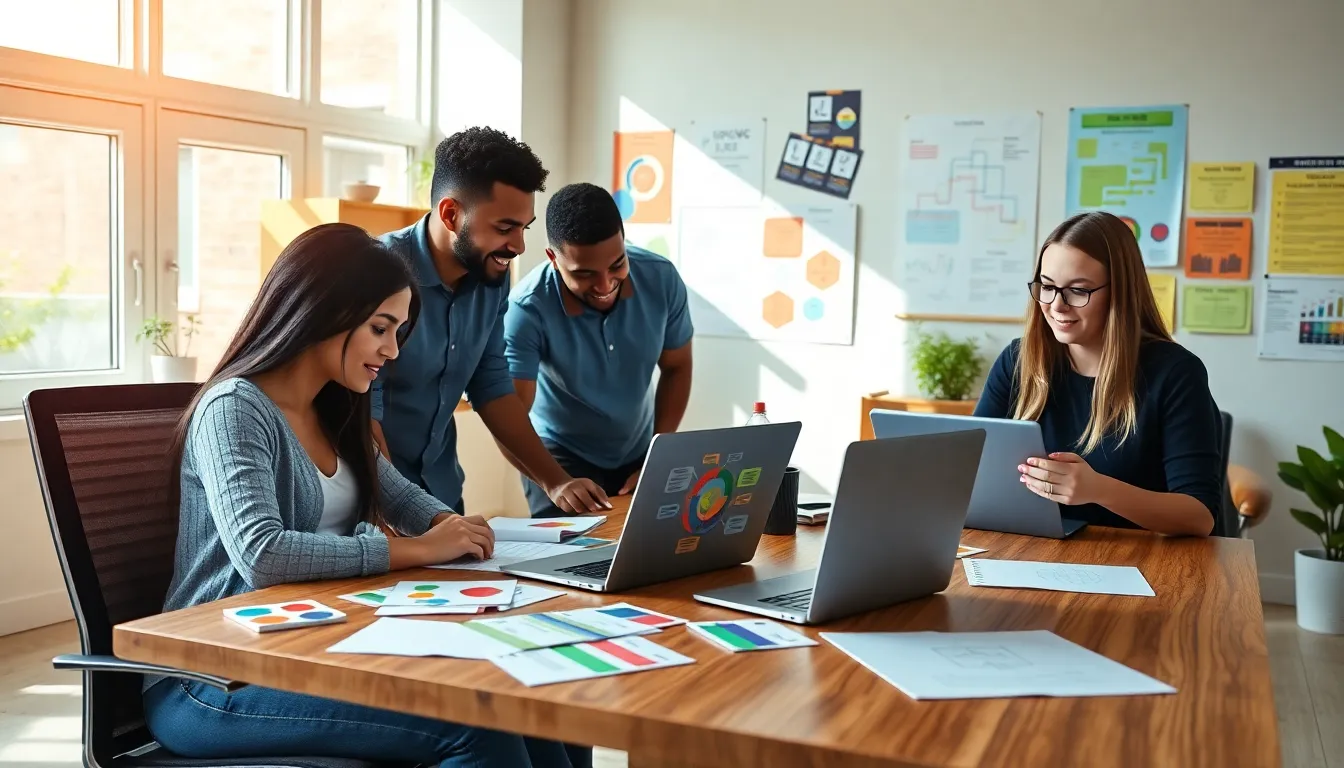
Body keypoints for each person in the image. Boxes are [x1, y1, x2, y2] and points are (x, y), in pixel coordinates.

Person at [142, 223, 576, 767]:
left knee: (530, 697)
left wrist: (455, 528)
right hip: (214, 678)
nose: (392, 350)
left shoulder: (336, 406)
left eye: (398, 331)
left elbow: (404, 500)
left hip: (310, 647)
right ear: (325, 312)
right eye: (381, 328)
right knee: (479, 732)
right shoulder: (233, 408)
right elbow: (263, 554)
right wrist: (421, 549)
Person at [372, 126, 610, 518]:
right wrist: (398, 511)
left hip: (443, 496)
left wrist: (555, 480)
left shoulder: (491, 277)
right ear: (451, 214)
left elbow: (492, 385)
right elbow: (361, 413)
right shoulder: (378, 272)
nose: (518, 246)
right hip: (375, 510)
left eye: (524, 228)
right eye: (505, 228)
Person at [973, 211, 1223, 537]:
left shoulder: (1175, 373)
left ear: (1120, 292)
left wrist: (1099, 490)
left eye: (1078, 290)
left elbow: (1199, 516)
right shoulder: (1019, 361)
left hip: (1146, 560)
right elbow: (969, 469)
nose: (1056, 306)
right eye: (1047, 286)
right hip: (1038, 550)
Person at [503, 182, 694, 516]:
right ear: (553, 258)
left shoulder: (662, 278)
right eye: (585, 274)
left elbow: (677, 366)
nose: (605, 286)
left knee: (648, 554)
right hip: (558, 454)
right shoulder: (526, 308)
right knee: (568, 563)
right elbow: (509, 414)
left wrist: (657, 455)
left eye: (617, 265)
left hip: (639, 445)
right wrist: (554, 482)